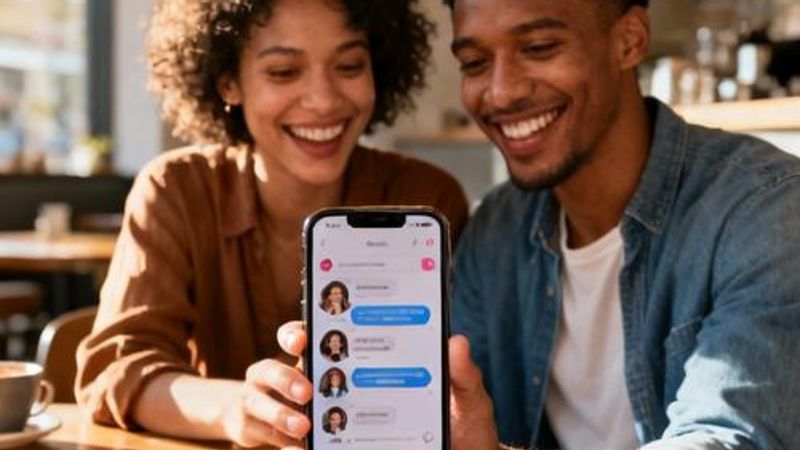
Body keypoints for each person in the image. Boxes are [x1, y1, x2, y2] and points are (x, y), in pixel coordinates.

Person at [74, 0, 468, 448]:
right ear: (228, 83)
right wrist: (236, 410)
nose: (323, 100)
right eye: (283, 72)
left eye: (350, 65)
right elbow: (116, 370)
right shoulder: (177, 191)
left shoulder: (427, 201)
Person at [438, 0, 800, 449]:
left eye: (539, 47)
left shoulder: (768, 209)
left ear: (630, 40)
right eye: (474, 63)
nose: (500, 93)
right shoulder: (495, 230)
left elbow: (727, 439)